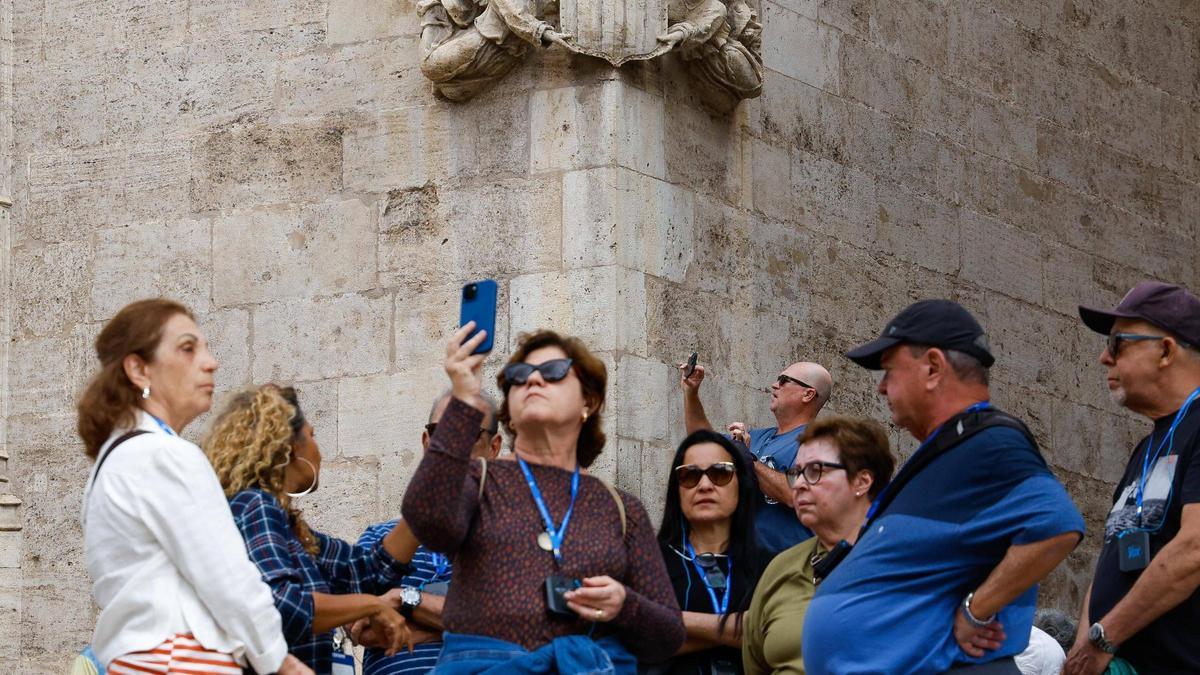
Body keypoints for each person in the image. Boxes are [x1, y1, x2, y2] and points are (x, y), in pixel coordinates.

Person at [804, 299, 1085, 674]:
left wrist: (975, 610)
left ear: (933, 368)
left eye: (889, 370)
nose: (882, 388)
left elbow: (1057, 524)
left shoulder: (991, 442)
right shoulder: (952, 450)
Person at [401, 325, 685, 672]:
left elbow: (670, 634)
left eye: (553, 372)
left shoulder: (620, 508)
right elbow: (425, 518)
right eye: (519, 377)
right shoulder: (479, 479)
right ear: (509, 410)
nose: (533, 380)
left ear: (588, 401)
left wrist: (624, 605)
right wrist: (463, 400)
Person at [78, 298, 310, 675]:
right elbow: (228, 578)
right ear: (139, 369)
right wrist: (278, 658)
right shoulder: (164, 455)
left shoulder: (117, 459)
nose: (210, 362)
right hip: (182, 658)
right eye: (188, 348)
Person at [204, 385, 415, 673]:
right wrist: (371, 605)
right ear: (291, 446)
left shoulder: (290, 529)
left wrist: (426, 508)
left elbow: (368, 570)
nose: (319, 452)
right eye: (313, 436)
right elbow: (283, 606)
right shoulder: (256, 506)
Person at [1065, 281, 1200, 675]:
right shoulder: (1147, 448)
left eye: (1118, 343)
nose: (1103, 357)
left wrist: (1103, 638)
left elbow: (1194, 549)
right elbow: (1113, 554)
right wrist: (1083, 646)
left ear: (1166, 351)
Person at [356, 390, 503, 675]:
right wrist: (467, 627)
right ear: (426, 443)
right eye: (442, 434)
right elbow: (361, 628)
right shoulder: (379, 538)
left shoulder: (511, 538)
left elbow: (514, 622)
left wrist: (404, 600)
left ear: (493, 448)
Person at [742, 416, 895, 675]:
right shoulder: (781, 568)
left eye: (815, 471)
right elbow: (755, 664)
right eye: (796, 473)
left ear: (862, 481)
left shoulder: (903, 563)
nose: (800, 485)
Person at [679, 358, 832, 552]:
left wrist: (746, 458)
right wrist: (691, 392)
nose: (774, 385)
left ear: (808, 394)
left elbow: (795, 493)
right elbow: (703, 444)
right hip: (741, 557)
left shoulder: (820, 442)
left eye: (784, 380)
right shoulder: (759, 436)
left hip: (782, 561)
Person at [653, 430, 773, 675]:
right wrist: (737, 630)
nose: (705, 485)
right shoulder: (649, 561)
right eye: (690, 475)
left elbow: (775, 637)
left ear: (741, 484)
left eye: (720, 473)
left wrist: (674, 619)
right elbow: (640, 640)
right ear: (677, 489)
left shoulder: (771, 565)